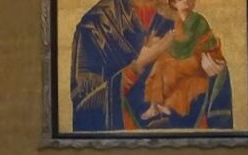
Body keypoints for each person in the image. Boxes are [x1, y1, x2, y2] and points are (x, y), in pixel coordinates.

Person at [70, 0, 232, 132]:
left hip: (184, 152)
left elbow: (211, 62)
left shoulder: (182, 15)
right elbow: (84, 107)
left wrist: (215, 70)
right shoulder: (96, 26)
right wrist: (137, 67)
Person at [142, 0, 225, 121]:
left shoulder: (199, 20)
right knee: (159, 64)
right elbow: (172, 45)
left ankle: (165, 104)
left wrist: (214, 55)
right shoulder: (176, 21)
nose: (186, 1)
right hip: (178, 56)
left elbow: (207, 42)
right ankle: (155, 105)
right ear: (174, 4)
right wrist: (165, 42)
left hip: (195, 58)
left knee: (171, 68)